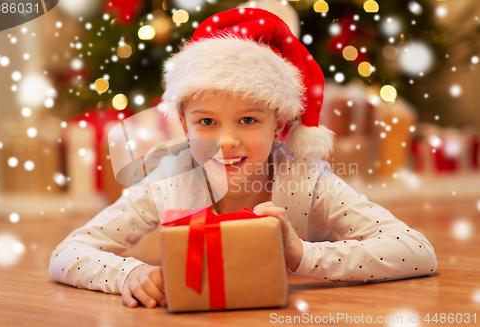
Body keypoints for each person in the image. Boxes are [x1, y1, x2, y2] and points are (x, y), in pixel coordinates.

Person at [48, 8, 437, 309]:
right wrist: (127, 273)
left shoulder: (306, 181)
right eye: (206, 122)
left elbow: (417, 252)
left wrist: (302, 254)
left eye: (248, 119)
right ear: (184, 126)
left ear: (279, 125)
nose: (226, 141)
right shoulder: (170, 179)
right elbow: (66, 253)